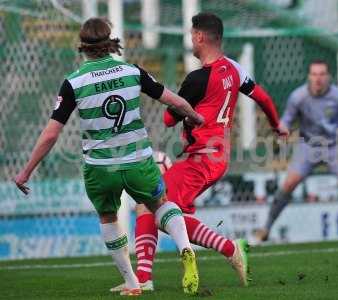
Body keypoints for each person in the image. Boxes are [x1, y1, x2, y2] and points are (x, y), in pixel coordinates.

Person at [13, 17, 204, 296]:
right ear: (109, 41)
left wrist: (26, 171)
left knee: (107, 217)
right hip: (137, 159)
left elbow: (51, 134)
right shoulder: (132, 71)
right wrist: (195, 116)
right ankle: (186, 248)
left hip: (100, 167)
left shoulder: (74, 83)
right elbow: (173, 100)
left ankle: (131, 282)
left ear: (82, 46)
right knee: (160, 204)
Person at [112, 12, 288, 292]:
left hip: (202, 158)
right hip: (216, 157)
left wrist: (167, 95)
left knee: (151, 203)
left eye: (192, 35)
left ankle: (147, 277)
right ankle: (153, 274)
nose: (190, 40)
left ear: (200, 37)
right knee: (167, 211)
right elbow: (263, 98)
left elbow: (170, 120)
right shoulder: (233, 69)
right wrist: (277, 126)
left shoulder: (197, 79)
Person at [255, 59, 338, 243]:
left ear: (328, 77)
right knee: (288, 183)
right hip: (308, 146)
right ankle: (265, 229)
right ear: (309, 76)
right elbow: (287, 120)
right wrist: (279, 136)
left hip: (334, 146)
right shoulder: (298, 97)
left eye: (322, 74)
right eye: (314, 74)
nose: (318, 78)